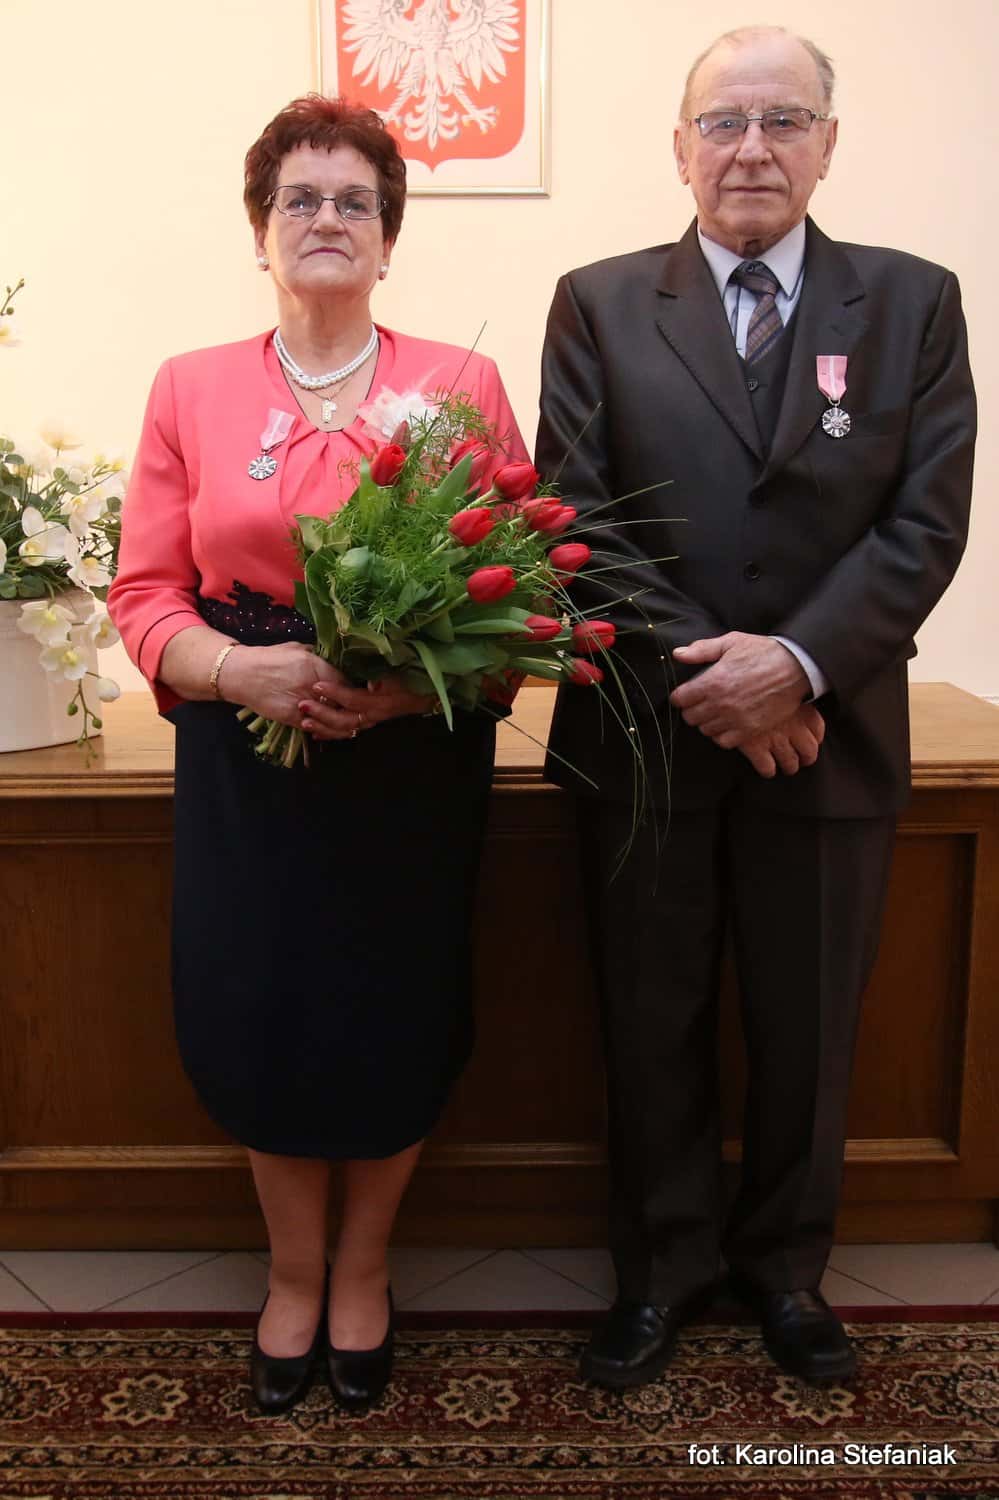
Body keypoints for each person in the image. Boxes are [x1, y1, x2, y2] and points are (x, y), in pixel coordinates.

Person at [536, 26, 975, 1388]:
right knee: (649, 1020)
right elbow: (576, 520)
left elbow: (925, 522)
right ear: (679, 147)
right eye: (723, 122)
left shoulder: (912, 302)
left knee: (810, 1028)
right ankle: (660, 1273)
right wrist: (725, 680)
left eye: (784, 120)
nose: (752, 148)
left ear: (828, 144)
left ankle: (788, 1273)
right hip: (646, 741)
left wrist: (797, 664)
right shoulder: (600, 302)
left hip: (829, 738)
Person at [108, 95, 528, 1416]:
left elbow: (518, 594)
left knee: (395, 1012)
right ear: (261, 229)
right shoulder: (189, 385)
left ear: (390, 238)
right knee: (266, 1014)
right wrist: (244, 672)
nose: (328, 218)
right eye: (301, 198)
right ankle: (293, 1272)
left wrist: (398, 692)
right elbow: (144, 595)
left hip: (410, 764)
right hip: (248, 767)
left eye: (356, 201)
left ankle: (365, 1268)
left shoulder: (460, 388)